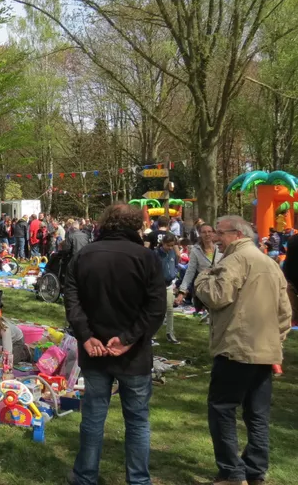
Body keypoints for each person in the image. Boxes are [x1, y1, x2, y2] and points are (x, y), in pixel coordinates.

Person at [63, 203, 166, 485]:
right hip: (118, 351)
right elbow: (156, 308)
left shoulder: (85, 255)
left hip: (109, 350)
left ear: (105, 222)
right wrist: (89, 336)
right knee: (135, 421)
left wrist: (116, 338)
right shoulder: (145, 257)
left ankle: (87, 477)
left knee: (96, 418)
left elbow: (72, 302)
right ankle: (135, 480)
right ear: (136, 225)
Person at [195, 215, 292, 485]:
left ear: (237, 234)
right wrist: (275, 340)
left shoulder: (235, 260)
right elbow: (285, 313)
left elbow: (216, 296)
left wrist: (203, 278)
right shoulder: (270, 263)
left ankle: (231, 472)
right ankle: (255, 471)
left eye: (220, 233)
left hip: (236, 349)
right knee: (257, 414)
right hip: (264, 350)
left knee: (222, 410)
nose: (215, 238)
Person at [176, 223, 222, 320]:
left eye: (209, 231)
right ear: (200, 234)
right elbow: (190, 272)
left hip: (221, 285)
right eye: (204, 232)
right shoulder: (195, 251)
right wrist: (182, 291)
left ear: (214, 233)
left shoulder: (221, 248)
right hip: (206, 287)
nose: (207, 234)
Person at [154, 234, 180, 344]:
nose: (170, 247)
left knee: (170, 309)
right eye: (168, 245)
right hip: (157, 285)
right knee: (157, 310)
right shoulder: (155, 254)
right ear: (163, 243)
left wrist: (174, 275)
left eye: (172, 245)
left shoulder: (173, 252)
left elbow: (175, 264)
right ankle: (151, 334)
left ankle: (170, 333)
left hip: (169, 284)